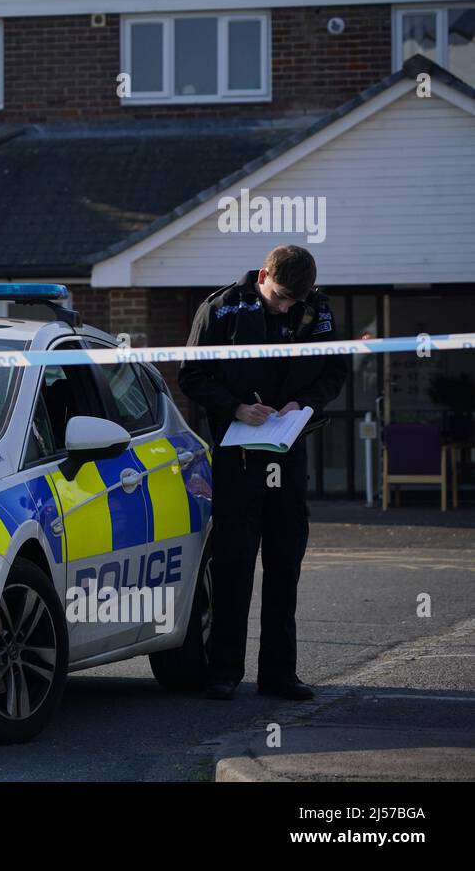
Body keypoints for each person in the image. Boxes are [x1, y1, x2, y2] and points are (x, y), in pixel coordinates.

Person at [178, 245, 348, 701]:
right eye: (282, 296)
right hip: (238, 455)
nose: (289, 305)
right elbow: (191, 376)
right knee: (233, 564)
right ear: (264, 274)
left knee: (284, 562)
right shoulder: (220, 308)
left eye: (297, 299)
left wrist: (306, 403)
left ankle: (278, 674)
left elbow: (335, 370)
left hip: (288, 451)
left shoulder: (319, 309)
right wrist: (235, 408)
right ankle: (224, 672)